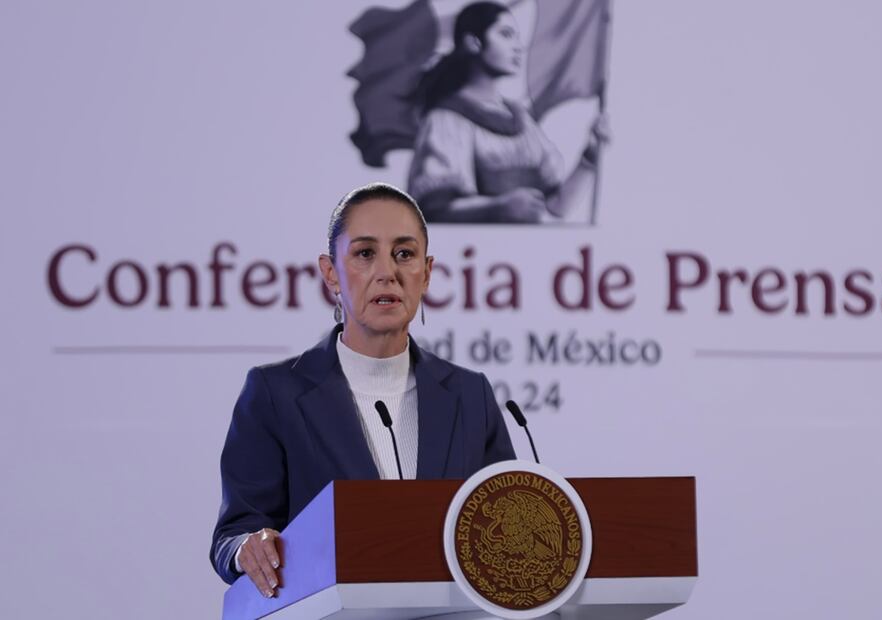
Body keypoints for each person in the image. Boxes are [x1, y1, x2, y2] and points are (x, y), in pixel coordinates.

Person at [209, 182, 516, 596]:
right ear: (331, 272)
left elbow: (508, 522)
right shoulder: (274, 393)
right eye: (365, 253)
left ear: (426, 273)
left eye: (404, 254)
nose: (387, 272)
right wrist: (247, 546)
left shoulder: (469, 394)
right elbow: (236, 531)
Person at [407, 1, 609, 224]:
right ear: (474, 43)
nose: (517, 47)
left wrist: (589, 157)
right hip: (474, 255)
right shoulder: (446, 120)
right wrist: (498, 208)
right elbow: (434, 208)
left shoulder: (522, 120)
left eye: (516, 36)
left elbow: (556, 207)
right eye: (505, 34)